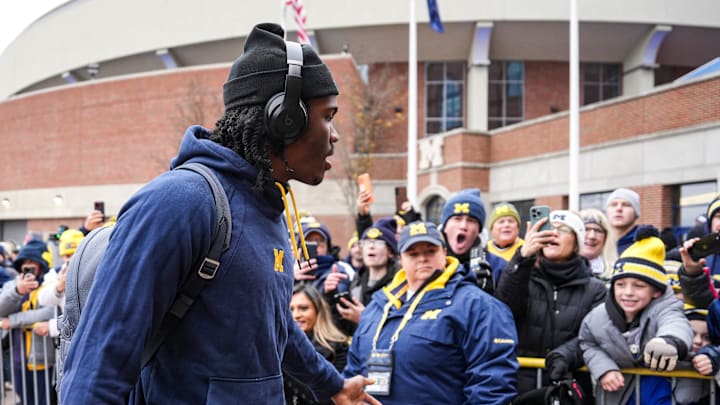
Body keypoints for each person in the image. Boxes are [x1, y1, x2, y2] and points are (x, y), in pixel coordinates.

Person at [60, 23, 376, 404]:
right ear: (284, 118)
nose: (335, 135)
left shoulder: (267, 208)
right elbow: (100, 362)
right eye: (328, 116)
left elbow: (274, 327)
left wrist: (333, 385)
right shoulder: (180, 201)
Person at [343, 221, 519, 404]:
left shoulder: (477, 306)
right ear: (400, 259)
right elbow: (353, 371)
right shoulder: (377, 306)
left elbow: (492, 386)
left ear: (444, 252)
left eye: (430, 251)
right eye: (413, 254)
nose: (422, 259)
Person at [494, 209, 606, 399]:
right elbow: (502, 312)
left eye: (563, 229)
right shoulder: (523, 274)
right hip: (521, 390)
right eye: (548, 228)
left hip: (568, 390)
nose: (553, 233)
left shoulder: (595, 289)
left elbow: (594, 336)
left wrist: (564, 356)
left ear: (577, 242)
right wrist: (522, 258)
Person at [579, 230, 694, 404]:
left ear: (656, 291)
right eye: (620, 284)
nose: (628, 293)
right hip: (620, 395)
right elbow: (588, 343)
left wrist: (667, 341)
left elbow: (676, 322)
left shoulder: (666, 307)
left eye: (639, 286)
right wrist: (604, 369)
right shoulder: (597, 317)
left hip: (663, 392)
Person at [0, 239, 57, 405]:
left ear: (42, 264)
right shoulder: (13, 285)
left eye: (32, 262)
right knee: (25, 399)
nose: (27, 266)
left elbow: (50, 311)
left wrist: (13, 321)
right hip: (17, 358)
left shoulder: (50, 286)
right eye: (24, 262)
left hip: (44, 359)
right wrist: (18, 291)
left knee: (45, 400)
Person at [324, 222, 398, 335]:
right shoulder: (355, 283)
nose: (371, 246)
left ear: (391, 253)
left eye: (378, 242)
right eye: (366, 242)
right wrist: (330, 294)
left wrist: (366, 318)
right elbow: (345, 328)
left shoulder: (400, 285)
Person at [285, 284, 349, 405]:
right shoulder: (277, 347)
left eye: (303, 308)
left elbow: (333, 397)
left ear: (318, 311)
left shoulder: (338, 347)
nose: (296, 315)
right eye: (290, 310)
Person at [440, 188, 506, 294]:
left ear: (479, 230)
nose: (463, 226)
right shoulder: (427, 263)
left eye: (471, 221)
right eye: (457, 219)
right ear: (445, 227)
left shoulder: (497, 266)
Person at [579, 208, 617, 281]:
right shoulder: (559, 268)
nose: (592, 236)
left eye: (598, 231)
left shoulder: (616, 273)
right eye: (586, 229)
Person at [605, 187, 643, 255]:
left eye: (626, 205)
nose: (619, 209)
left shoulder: (647, 245)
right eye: (613, 205)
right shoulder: (598, 244)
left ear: (636, 213)